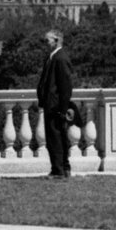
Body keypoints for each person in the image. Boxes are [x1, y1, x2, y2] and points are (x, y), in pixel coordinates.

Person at [35, 28, 76, 178]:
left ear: (56, 40)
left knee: (56, 138)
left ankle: (59, 170)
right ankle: (62, 168)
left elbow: (65, 86)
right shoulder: (54, 57)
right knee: (56, 138)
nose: (46, 43)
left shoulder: (60, 58)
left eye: (48, 40)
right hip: (52, 105)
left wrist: (63, 109)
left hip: (55, 106)